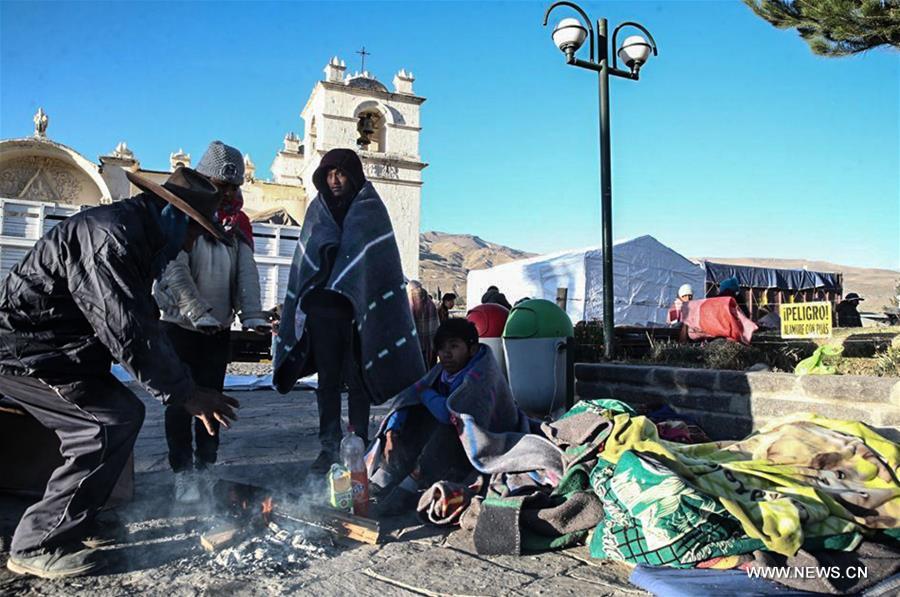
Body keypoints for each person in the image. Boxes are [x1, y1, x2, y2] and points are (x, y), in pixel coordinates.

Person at [0, 167, 240, 579]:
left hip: (59, 353)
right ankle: (36, 542)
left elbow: (141, 323)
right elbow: (128, 331)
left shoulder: (134, 235)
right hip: (26, 353)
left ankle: (77, 517)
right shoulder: (112, 238)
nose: (190, 243)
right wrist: (186, 394)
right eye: (193, 232)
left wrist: (186, 384)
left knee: (123, 412)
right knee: (104, 424)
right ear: (172, 214)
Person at [272, 148, 425, 474]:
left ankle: (359, 444)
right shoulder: (318, 209)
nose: (334, 180)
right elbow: (306, 261)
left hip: (358, 315)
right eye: (328, 174)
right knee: (326, 382)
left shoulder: (370, 209)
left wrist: (348, 276)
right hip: (323, 314)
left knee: (358, 380)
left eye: (340, 173)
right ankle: (328, 446)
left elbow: (377, 264)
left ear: (353, 175)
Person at [153, 141, 270, 504]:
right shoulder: (182, 215)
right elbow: (174, 269)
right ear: (204, 181)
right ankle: (182, 473)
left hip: (217, 330)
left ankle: (206, 467)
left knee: (214, 401)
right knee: (179, 402)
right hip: (179, 326)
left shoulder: (239, 224)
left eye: (234, 186)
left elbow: (246, 273)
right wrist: (195, 311)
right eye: (221, 184)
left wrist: (251, 313)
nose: (229, 192)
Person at [409, 280, 440, 366]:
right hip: (430, 346)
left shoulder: (408, 307)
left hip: (415, 347)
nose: (418, 294)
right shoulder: (431, 305)